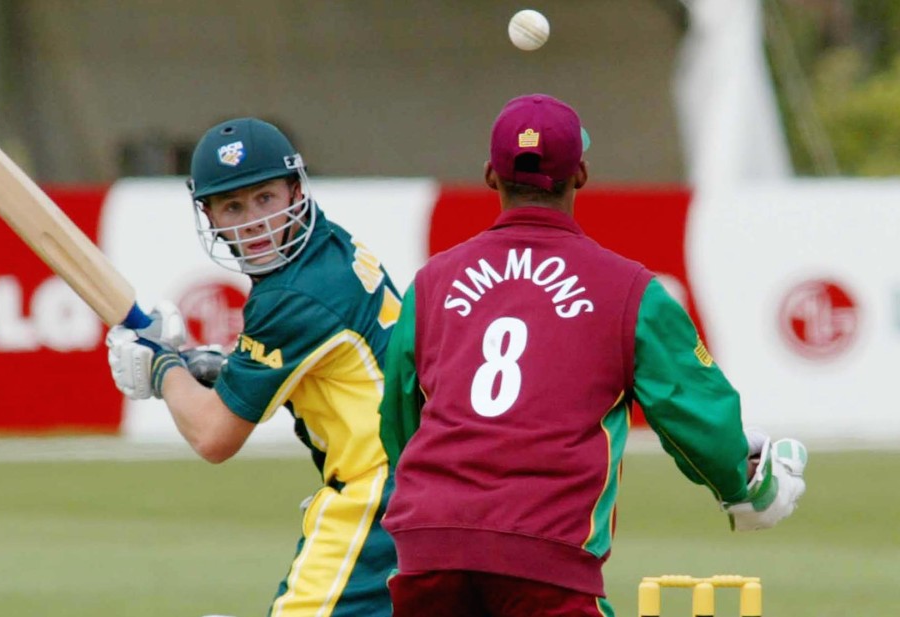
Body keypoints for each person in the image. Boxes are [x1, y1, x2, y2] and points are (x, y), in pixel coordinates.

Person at [377, 94, 808, 617]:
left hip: (428, 548)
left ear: (491, 175)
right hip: (545, 552)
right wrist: (741, 489)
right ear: (580, 173)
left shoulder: (431, 282)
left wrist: (432, 500)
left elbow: (399, 418)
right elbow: (693, 408)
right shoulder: (628, 289)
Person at [105, 117, 401, 616]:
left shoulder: (291, 295)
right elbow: (311, 367)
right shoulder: (329, 246)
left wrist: (163, 370)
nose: (253, 222)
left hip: (378, 500)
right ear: (210, 215)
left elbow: (214, 436)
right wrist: (207, 366)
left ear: (293, 190)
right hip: (418, 485)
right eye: (232, 206)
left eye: (265, 198)